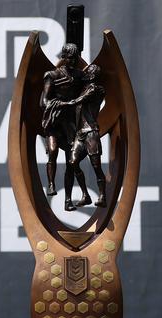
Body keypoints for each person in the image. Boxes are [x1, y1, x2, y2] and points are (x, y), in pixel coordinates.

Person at [40, 43, 90, 210]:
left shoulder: (79, 76)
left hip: (70, 124)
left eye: (75, 58)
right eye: (69, 58)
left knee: (71, 162)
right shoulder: (52, 75)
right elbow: (44, 101)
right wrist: (61, 103)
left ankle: (68, 200)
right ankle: (51, 184)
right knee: (53, 151)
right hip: (55, 121)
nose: (73, 61)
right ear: (63, 58)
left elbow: (89, 86)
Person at [64, 64, 107, 209]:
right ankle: (85, 195)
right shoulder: (83, 88)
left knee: (96, 166)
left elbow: (79, 100)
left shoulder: (96, 89)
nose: (86, 73)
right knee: (72, 162)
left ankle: (102, 196)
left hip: (91, 133)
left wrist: (62, 103)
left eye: (88, 72)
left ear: (93, 75)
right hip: (80, 133)